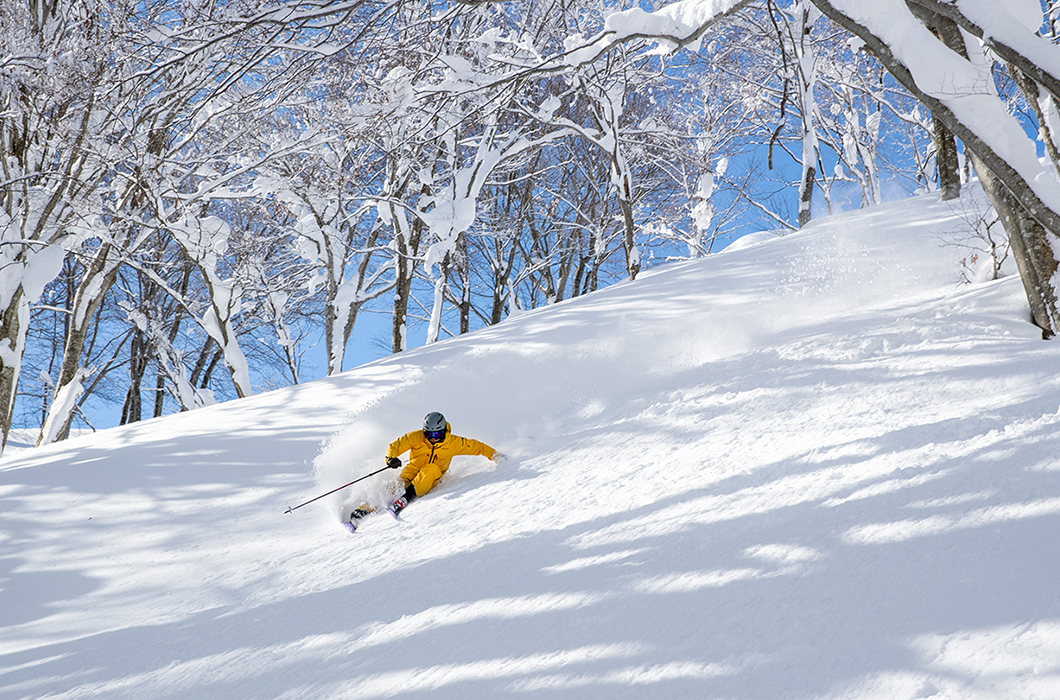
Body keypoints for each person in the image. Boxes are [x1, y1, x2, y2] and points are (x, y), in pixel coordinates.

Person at [346, 411, 498, 531]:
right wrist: (391, 459)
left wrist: (496, 456)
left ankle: (406, 498)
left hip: (432, 476)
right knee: (394, 485)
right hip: (411, 471)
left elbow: (478, 446)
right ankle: (362, 511)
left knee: (430, 468)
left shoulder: (454, 443)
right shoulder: (416, 437)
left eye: (436, 434)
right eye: (428, 434)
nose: (432, 438)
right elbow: (394, 446)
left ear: (443, 431)